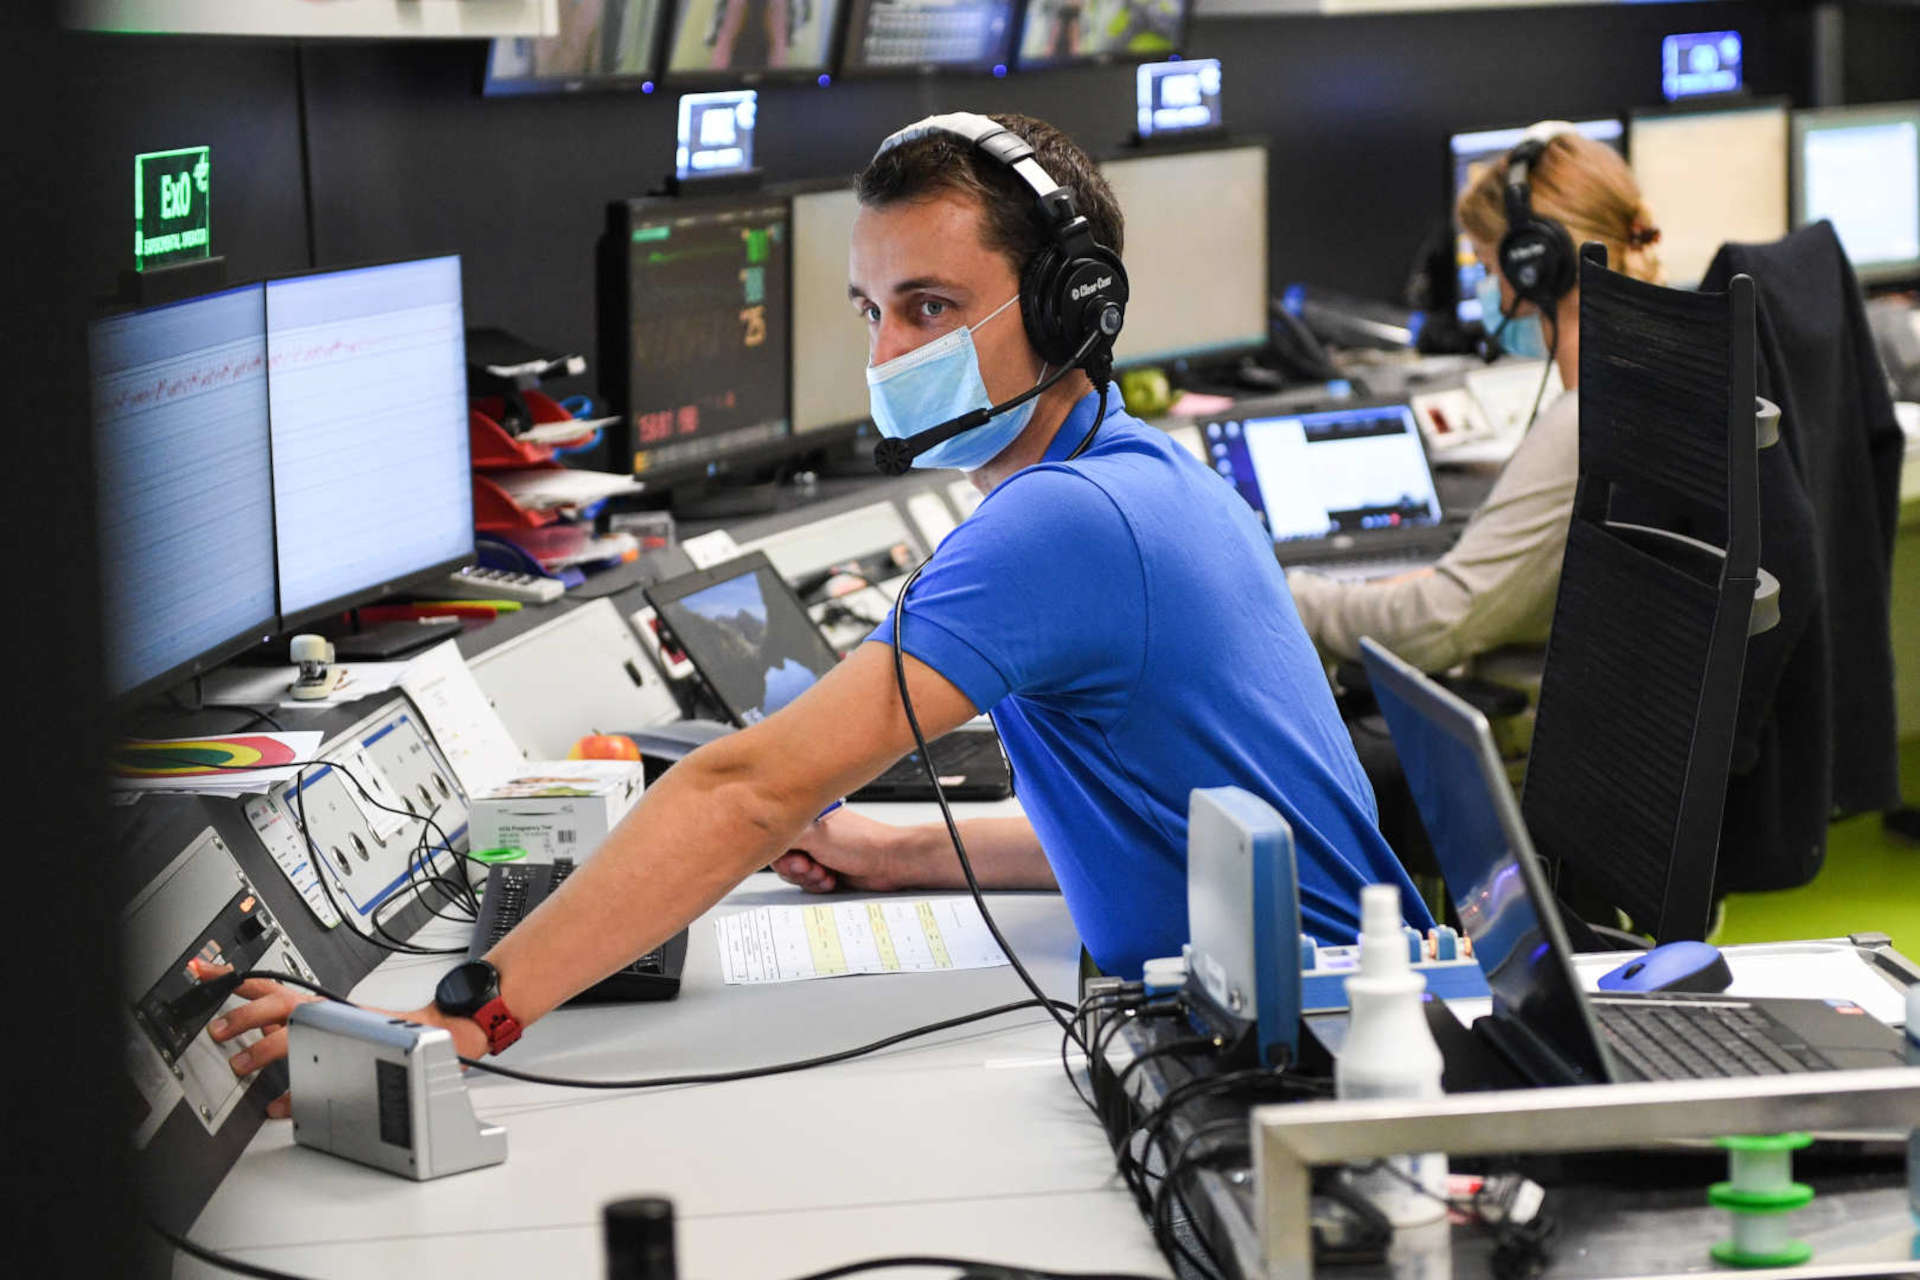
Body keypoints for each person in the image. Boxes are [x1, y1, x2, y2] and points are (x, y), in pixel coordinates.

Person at [204, 113, 1428, 1112]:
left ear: (1069, 308)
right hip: (1311, 1012)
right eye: (870, 309)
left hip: (1311, 1061)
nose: (887, 353)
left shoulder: (1058, 525)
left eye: (930, 307)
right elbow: (1157, 819)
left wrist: (459, 1015)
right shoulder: (1144, 471)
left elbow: (745, 790)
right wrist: (894, 851)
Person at [1287, 126, 1666, 674]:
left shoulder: (1584, 420)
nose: (1488, 293)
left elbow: (1437, 624)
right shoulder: (1651, 383)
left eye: (1489, 270)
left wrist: (1288, 597)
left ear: (1534, 268)